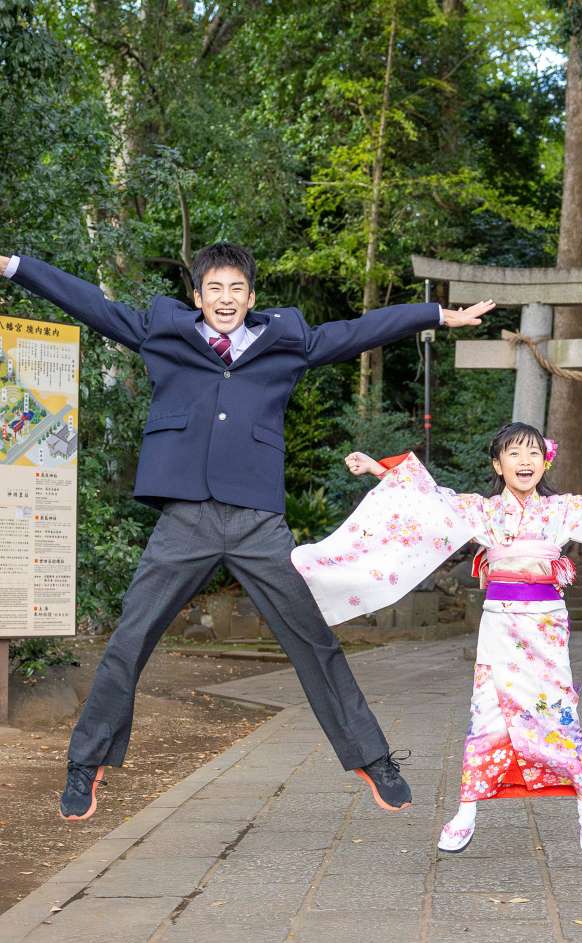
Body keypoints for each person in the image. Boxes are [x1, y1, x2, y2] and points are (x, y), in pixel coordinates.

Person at [0, 244, 495, 820]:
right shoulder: (162, 333)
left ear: (251, 297)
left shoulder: (288, 342)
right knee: (128, 640)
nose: (226, 299)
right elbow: (92, 304)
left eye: (236, 289)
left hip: (258, 521)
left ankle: (372, 758)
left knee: (313, 641)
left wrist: (433, 315)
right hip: (186, 516)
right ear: (198, 297)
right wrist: (15, 266)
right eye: (215, 289)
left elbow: (358, 330)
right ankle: (87, 765)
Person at [290, 421, 582, 854]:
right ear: (498, 464)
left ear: (544, 461)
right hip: (500, 623)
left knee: (558, 711)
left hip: (546, 624)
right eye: (513, 453)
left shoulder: (562, 510)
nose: (525, 461)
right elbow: (430, 500)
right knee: (487, 712)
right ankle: (467, 809)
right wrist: (381, 470)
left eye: (533, 453)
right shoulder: (483, 510)